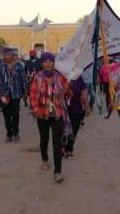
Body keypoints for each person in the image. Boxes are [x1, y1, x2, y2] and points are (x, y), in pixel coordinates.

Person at [30, 52, 69, 183]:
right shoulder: (38, 77)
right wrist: (35, 109)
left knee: (57, 142)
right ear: (41, 63)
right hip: (42, 113)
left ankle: (57, 171)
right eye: (45, 61)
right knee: (44, 139)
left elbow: (68, 94)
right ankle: (45, 159)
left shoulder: (60, 76)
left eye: (50, 61)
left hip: (57, 114)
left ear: (54, 63)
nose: (48, 63)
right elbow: (33, 94)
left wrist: (68, 86)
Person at [0, 47, 26, 142]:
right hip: (4, 94)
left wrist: (25, 92)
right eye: (5, 55)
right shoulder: (0, 67)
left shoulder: (19, 66)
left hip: (16, 94)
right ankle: (9, 134)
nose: (7, 57)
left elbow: (23, 80)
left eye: (9, 55)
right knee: (6, 114)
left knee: (15, 113)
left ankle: (16, 133)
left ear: (13, 56)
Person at [64, 76, 90, 158]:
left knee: (70, 129)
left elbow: (84, 93)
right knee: (72, 129)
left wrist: (86, 106)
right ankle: (68, 149)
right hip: (64, 108)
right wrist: (86, 106)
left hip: (75, 108)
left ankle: (67, 147)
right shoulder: (61, 77)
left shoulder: (78, 78)